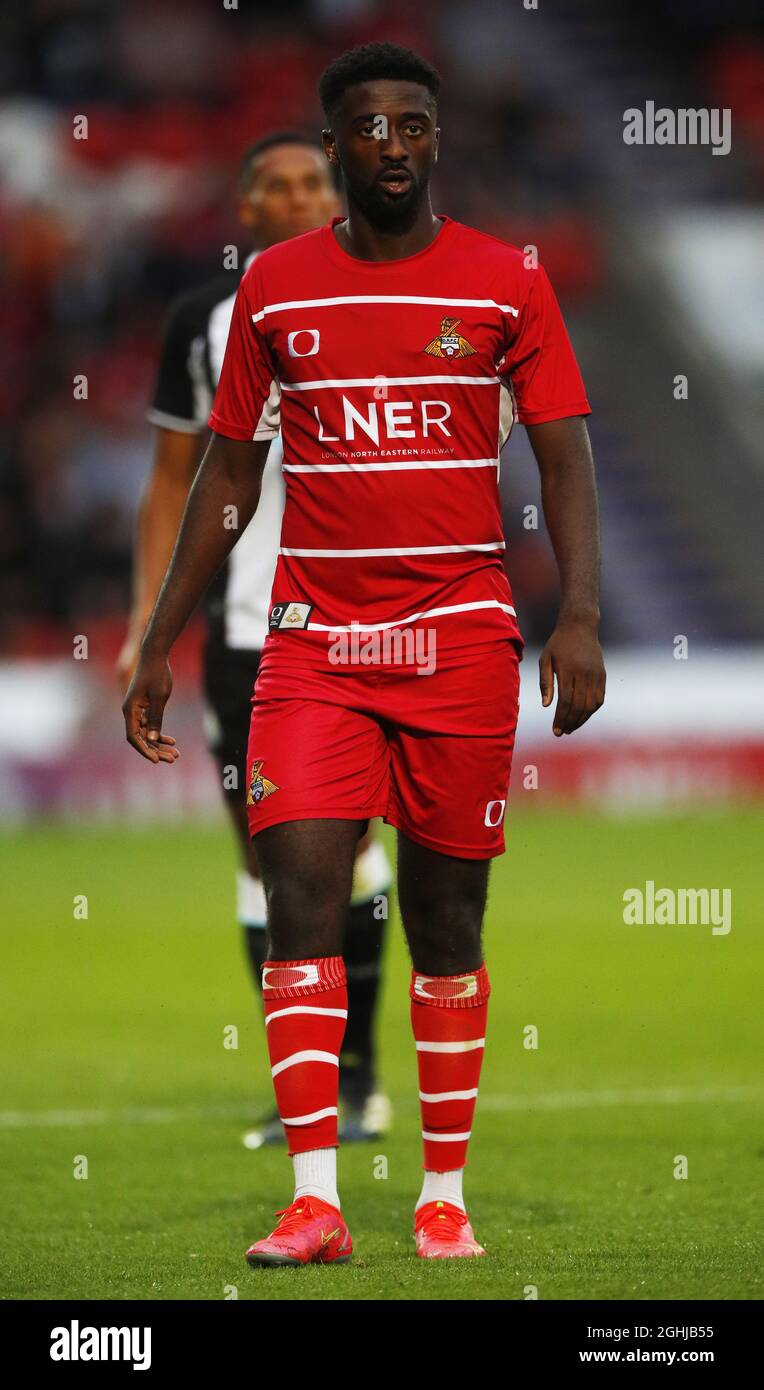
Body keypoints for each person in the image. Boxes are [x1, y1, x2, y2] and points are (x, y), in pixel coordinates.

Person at [123, 41, 606, 1266]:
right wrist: (158, 635)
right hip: (310, 650)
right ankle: (316, 1199)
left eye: (411, 124)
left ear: (435, 139)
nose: (390, 144)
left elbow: (563, 457)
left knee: (446, 918)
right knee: (303, 896)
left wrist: (581, 614)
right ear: (332, 145)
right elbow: (228, 472)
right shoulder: (272, 289)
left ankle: (441, 1192)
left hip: (455, 647)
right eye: (366, 126)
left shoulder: (507, 281)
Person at [118, 131, 393, 1147]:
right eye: (270, 184)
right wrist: (149, 617)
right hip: (246, 628)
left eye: (309, 180)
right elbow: (170, 482)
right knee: (267, 857)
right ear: (244, 210)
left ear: (333, 194)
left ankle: (358, 1077)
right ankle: (305, 1088)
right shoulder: (204, 321)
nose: (291, 195)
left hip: (369, 617)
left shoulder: (383, 296)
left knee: (354, 848)